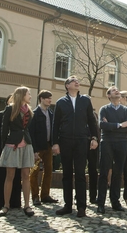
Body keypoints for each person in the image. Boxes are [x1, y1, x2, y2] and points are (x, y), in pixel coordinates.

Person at [52, 76, 99, 218]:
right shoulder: (61, 103)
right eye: (73, 81)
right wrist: (55, 143)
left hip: (81, 141)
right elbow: (55, 124)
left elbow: (92, 121)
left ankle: (81, 207)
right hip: (65, 141)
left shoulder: (85, 101)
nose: (76, 82)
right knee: (66, 174)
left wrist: (94, 137)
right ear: (67, 85)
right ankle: (67, 205)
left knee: (80, 174)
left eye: (77, 81)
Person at [0, 87, 36, 217]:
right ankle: (6, 205)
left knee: (26, 175)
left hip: (26, 145)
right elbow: (4, 128)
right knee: (10, 176)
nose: (30, 96)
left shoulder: (29, 111)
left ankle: (27, 205)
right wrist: (4, 144)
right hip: (12, 144)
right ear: (22, 95)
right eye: (28, 94)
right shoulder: (10, 109)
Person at [96, 86, 127, 214]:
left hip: (121, 143)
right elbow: (102, 125)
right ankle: (101, 203)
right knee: (104, 172)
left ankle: (115, 202)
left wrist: (111, 125)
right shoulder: (104, 109)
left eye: (118, 89)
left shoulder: (126, 110)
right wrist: (119, 125)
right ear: (109, 95)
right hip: (107, 142)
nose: (117, 90)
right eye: (113, 90)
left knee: (118, 173)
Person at [0, 107, 22, 210]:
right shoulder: (0, 114)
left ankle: (14, 202)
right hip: (2, 146)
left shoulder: (20, 115)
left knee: (15, 175)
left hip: (15, 147)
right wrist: (7, 133)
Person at [29, 89, 58, 206]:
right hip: (38, 146)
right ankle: (35, 196)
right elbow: (31, 132)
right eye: (47, 98)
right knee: (34, 172)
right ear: (41, 99)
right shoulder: (34, 113)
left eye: (50, 98)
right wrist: (34, 150)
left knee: (49, 171)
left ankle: (45, 195)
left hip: (48, 145)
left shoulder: (51, 113)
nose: (50, 100)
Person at [87, 109, 99, 204]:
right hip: (81, 144)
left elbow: (97, 130)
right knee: (79, 171)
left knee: (93, 171)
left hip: (93, 145)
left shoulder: (94, 115)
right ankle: (78, 195)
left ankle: (93, 196)